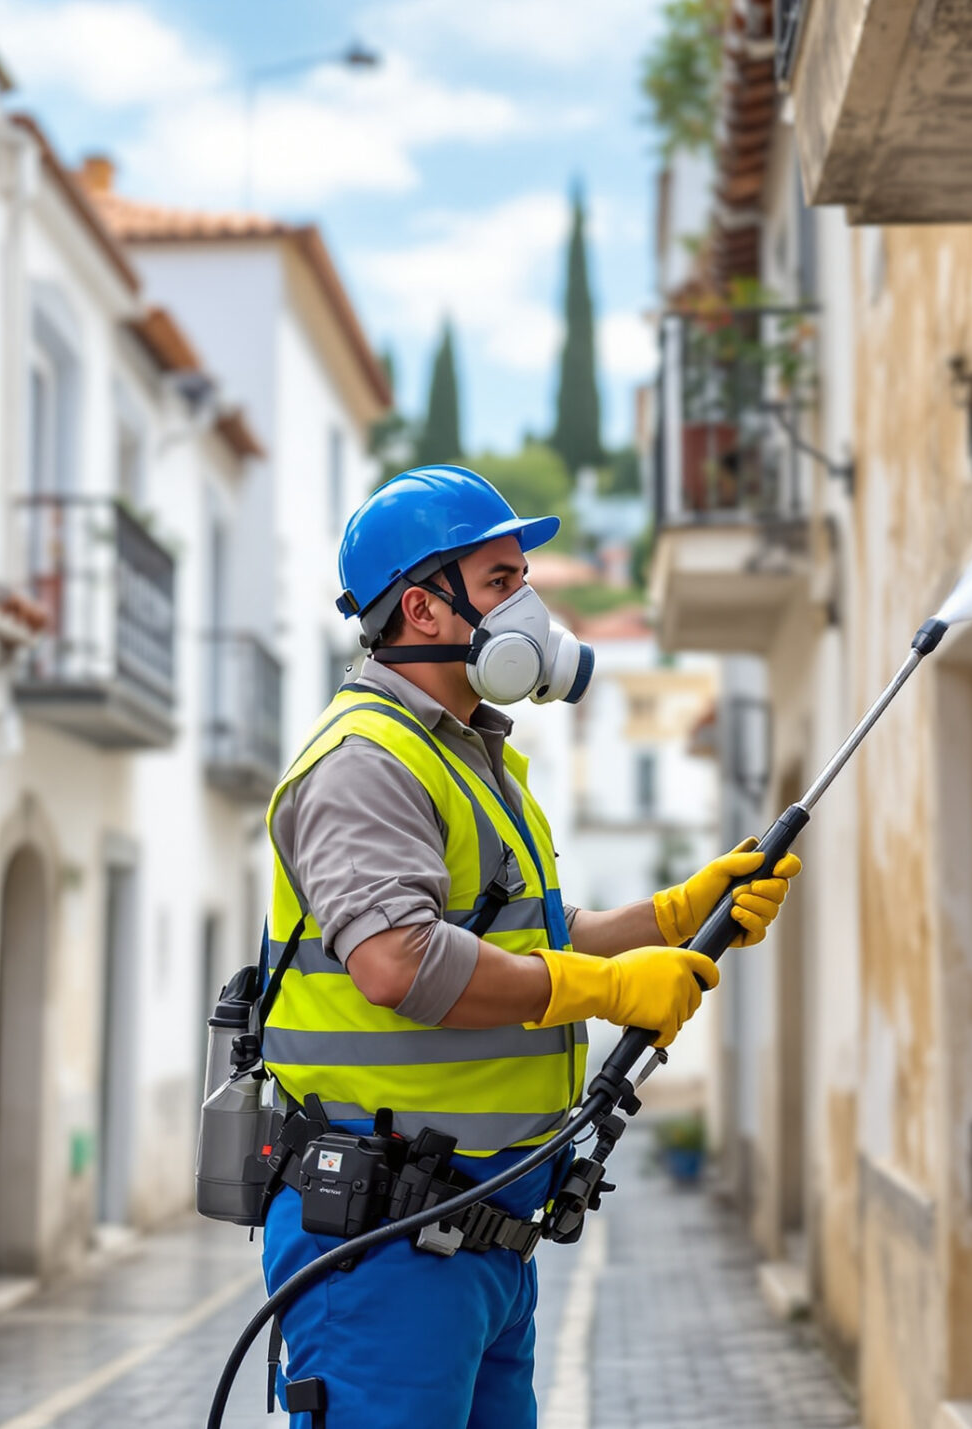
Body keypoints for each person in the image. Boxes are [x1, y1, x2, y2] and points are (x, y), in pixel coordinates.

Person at [253, 464, 803, 1428]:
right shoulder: (365, 763)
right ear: (423, 608)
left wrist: (673, 915)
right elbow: (400, 962)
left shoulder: (470, 754)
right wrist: (605, 989)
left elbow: (532, 939)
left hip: (477, 1240)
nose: (530, 605)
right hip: (385, 1243)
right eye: (503, 580)